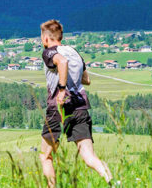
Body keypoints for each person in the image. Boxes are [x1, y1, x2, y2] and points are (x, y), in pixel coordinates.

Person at [38, 19, 112, 187]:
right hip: (80, 107)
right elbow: (86, 80)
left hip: (59, 108)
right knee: (89, 157)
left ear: (46, 38)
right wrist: (72, 79)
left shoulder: (50, 52)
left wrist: (62, 89)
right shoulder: (74, 52)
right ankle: (112, 181)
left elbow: (62, 62)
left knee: (45, 156)